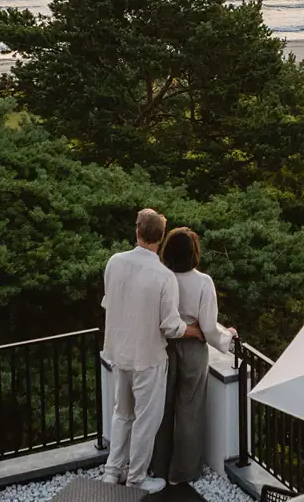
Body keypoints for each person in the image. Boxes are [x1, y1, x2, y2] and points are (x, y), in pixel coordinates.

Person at [102, 209, 203, 493]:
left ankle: (112, 471)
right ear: (161, 237)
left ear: (137, 232)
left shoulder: (114, 262)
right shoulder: (163, 276)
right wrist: (195, 331)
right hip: (148, 357)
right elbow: (171, 327)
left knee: (122, 413)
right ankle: (136, 478)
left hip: (118, 351)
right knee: (146, 420)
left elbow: (109, 302)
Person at [150, 227, 237, 484]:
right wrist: (227, 336)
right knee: (189, 408)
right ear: (194, 252)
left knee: (160, 408)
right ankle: (183, 472)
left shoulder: (160, 277)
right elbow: (208, 327)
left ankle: (158, 467)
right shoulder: (202, 282)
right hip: (193, 347)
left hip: (164, 344)